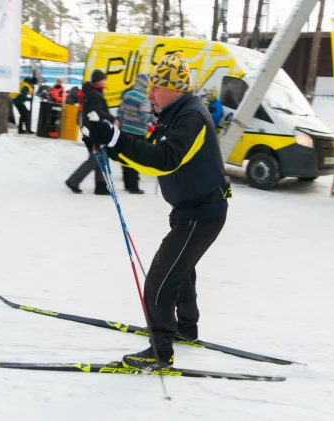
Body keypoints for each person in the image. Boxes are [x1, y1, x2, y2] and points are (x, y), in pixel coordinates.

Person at [86, 52, 231, 370]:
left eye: (156, 87)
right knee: (180, 274)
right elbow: (149, 156)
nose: (149, 93)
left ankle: (160, 351)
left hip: (200, 214)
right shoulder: (176, 113)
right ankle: (185, 328)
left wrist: (115, 140)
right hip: (192, 212)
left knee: (159, 283)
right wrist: (110, 142)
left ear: (175, 88)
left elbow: (165, 159)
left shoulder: (189, 116)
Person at [65, 70, 118, 195]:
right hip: (94, 131)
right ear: (98, 80)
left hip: (92, 130)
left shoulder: (92, 92)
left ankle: (100, 186)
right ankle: (73, 181)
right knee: (96, 158)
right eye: (103, 79)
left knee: (101, 158)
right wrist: (112, 119)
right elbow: (98, 112)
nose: (105, 81)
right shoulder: (94, 94)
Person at [116, 73, 153, 194]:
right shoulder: (144, 97)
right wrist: (154, 117)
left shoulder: (127, 94)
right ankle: (134, 187)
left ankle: (127, 184)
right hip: (137, 132)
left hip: (125, 131)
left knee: (126, 157)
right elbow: (144, 117)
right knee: (135, 159)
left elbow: (120, 112)